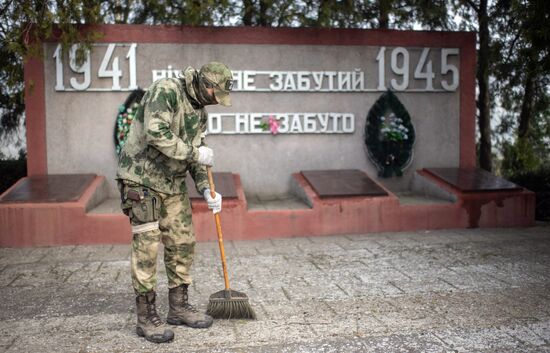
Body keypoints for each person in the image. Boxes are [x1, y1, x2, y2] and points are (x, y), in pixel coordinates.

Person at [116, 62, 233, 343]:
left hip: (173, 184)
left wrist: (206, 190)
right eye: (216, 94)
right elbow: (156, 134)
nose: (216, 102)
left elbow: (196, 158)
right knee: (147, 246)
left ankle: (178, 307)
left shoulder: (200, 115)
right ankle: (146, 317)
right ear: (206, 85)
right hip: (141, 180)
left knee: (183, 243)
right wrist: (195, 152)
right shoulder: (166, 90)